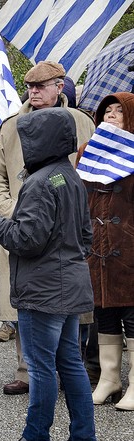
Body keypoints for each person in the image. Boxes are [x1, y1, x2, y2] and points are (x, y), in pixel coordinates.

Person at [0, 108, 97, 441]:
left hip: (43, 290)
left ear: (38, 141)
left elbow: (26, 238)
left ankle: (36, 440)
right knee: (70, 363)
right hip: (70, 285)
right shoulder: (69, 177)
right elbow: (86, 235)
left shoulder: (40, 182)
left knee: (41, 367)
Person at [0, 60, 95, 396]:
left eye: (41, 87)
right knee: (24, 304)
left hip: (68, 228)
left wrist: (77, 215)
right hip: (20, 227)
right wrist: (10, 212)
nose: (33, 93)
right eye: (30, 87)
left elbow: (94, 175)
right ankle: (25, 371)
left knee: (68, 311)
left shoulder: (81, 122)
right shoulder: (10, 125)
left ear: (59, 87)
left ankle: (77, 370)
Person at [79, 92, 134, 411]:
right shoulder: (88, 150)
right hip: (96, 248)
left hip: (127, 247)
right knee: (104, 312)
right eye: (106, 111)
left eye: (119, 111)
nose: (111, 115)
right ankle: (110, 379)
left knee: (132, 314)